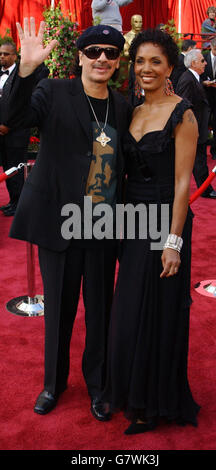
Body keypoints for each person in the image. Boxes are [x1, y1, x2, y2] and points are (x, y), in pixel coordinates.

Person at [7, 19, 132, 419]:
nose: (102, 59)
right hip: (58, 220)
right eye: (93, 51)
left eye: (110, 53)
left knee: (101, 309)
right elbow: (15, 118)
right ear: (80, 56)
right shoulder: (53, 90)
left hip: (103, 224)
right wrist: (25, 71)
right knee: (59, 308)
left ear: (117, 61)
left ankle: (98, 386)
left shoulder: (125, 104)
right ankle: (53, 384)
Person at [102, 28, 200, 434]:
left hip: (166, 219)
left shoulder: (184, 113)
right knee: (129, 306)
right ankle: (127, 389)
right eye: (140, 60)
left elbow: (182, 183)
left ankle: (154, 400)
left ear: (170, 68)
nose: (146, 68)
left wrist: (173, 243)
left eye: (155, 61)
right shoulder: (131, 110)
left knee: (159, 309)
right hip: (131, 219)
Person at [0, 41, 49, 216]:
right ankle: (13, 200)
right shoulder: (1, 75)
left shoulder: (25, 75)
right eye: (1, 54)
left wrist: (8, 125)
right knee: (6, 168)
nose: (2, 57)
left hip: (16, 132)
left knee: (16, 169)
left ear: (15, 56)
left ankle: (20, 203)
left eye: (6, 54)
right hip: (2, 133)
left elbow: (22, 105)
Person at [176, 49, 216, 198]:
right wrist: (191, 128)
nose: (205, 63)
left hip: (197, 128)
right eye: (202, 61)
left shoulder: (193, 78)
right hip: (193, 130)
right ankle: (205, 190)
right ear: (194, 63)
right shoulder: (187, 79)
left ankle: (205, 190)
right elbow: (183, 105)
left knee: (199, 160)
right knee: (199, 161)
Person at [123, 14, 144, 107]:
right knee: (133, 88)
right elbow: (125, 53)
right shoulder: (127, 37)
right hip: (132, 65)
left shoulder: (144, 36)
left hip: (144, 66)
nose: (138, 24)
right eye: (136, 22)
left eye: (140, 22)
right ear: (131, 23)